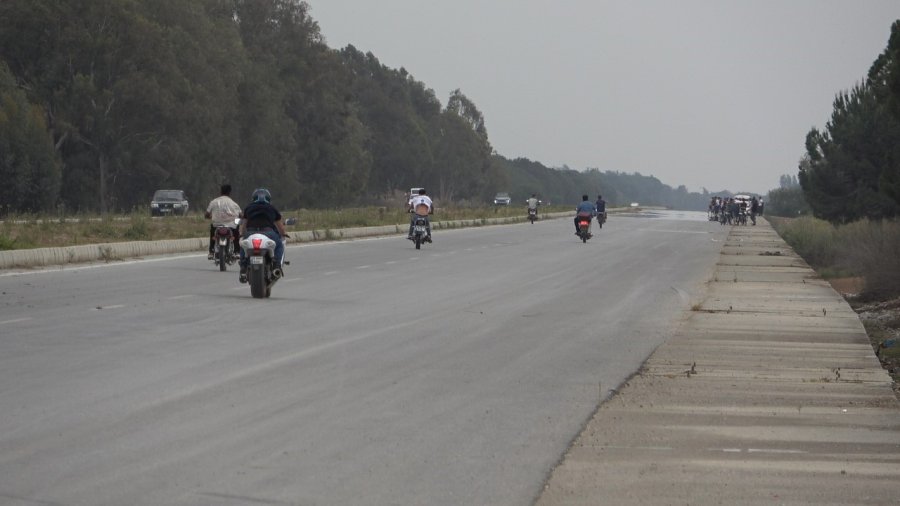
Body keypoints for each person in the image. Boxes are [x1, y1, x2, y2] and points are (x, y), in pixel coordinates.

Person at [238, 188, 286, 283]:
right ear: (268, 198)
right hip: (268, 233)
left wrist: (242, 235)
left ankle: (243, 267)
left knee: (243, 245)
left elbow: (244, 225)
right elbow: (280, 228)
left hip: (251, 232)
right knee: (279, 245)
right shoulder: (272, 208)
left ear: (254, 198)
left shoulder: (249, 208)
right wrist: (283, 234)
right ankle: (276, 266)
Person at [205, 184, 242, 260]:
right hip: (231, 226)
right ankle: (237, 251)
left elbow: (206, 214)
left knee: (212, 232)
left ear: (220, 191)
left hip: (217, 226)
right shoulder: (234, 204)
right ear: (230, 192)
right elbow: (241, 215)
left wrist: (210, 217)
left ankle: (211, 252)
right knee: (236, 231)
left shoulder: (214, 202)